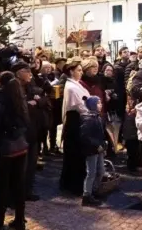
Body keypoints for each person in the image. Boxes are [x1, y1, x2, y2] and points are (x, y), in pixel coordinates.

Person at [0, 72, 29, 230]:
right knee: (19, 185)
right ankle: (19, 220)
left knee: (1, 187)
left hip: (4, 149)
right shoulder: (20, 98)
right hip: (21, 146)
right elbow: (25, 123)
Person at [12, 61, 42, 202]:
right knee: (20, 166)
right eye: (27, 71)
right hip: (20, 133)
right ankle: (18, 193)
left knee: (31, 164)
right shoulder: (13, 89)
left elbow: (43, 101)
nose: (30, 74)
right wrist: (28, 104)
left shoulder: (31, 87)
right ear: (18, 73)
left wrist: (37, 101)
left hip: (32, 131)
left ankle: (27, 190)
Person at [60, 60, 90, 195]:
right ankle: (74, 185)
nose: (81, 72)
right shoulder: (71, 87)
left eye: (81, 70)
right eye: (78, 70)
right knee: (75, 154)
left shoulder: (76, 84)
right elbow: (81, 105)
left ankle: (71, 183)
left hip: (78, 118)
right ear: (71, 71)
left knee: (76, 154)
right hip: (75, 120)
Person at [79, 96, 107, 207]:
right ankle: (87, 195)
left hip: (98, 149)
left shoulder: (97, 117)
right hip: (92, 150)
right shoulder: (88, 118)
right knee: (91, 172)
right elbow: (85, 136)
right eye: (98, 103)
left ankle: (93, 191)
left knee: (100, 171)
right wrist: (97, 145)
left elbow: (100, 134)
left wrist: (103, 145)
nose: (101, 105)